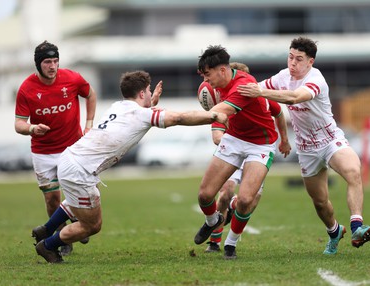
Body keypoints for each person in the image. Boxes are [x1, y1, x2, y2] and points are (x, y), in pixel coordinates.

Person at [31, 70, 228, 263]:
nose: (151, 93)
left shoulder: (118, 106)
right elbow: (178, 118)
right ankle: (48, 245)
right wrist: (213, 116)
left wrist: (151, 104)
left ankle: (47, 228)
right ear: (142, 93)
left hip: (70, 159)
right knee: (92, 225)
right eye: (149, 91)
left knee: (79, 202)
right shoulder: (140, 114)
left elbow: (140, 115)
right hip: (79, 170)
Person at [237, 36, 370, 255]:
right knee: (320, 202)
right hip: (306, 148)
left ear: (310, 62)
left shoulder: (316, 79)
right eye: (290, 57)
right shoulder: (283, 77)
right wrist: (226, 91)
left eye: (299, 59)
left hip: (330, 139)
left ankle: (357, 227)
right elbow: (253, 90)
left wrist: (260, 92)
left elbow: (293, 98)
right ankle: (334, 232)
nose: (292, 63)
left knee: (353, 171)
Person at [193, 45, 281, 259]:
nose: (205, 81)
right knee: (205, 195)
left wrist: (179, 118)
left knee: (244, 200)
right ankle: (213, 221)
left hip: (260, 144)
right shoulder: (214, 86)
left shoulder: (245, 85)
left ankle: (230, 244)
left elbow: (223, 110)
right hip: (233, 140)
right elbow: (217, 119)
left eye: (207, 74)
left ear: (222, 70)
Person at [15, 40, 97, 255]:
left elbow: (90, 94)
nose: (52, 66)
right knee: (52, 199)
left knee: (76, 190)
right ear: (38, 64)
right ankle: (62, 237)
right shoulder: (26, 88)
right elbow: (19, 124)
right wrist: (32, 128)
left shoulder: (71, 78)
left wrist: (88, 125)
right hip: (42, 152)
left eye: (55, 61)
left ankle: (80, 223)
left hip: (72, 149)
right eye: (47, 62)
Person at [204, 63, 291, 252]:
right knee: (225, 191)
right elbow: (217, 134)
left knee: (249, 199)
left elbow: (279, 115)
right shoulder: (227, 100)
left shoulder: (263, 98)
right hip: (235, 148)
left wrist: (284, 139)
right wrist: (224, 140)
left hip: (258, 149)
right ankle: (214, 241)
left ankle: (231, 240)